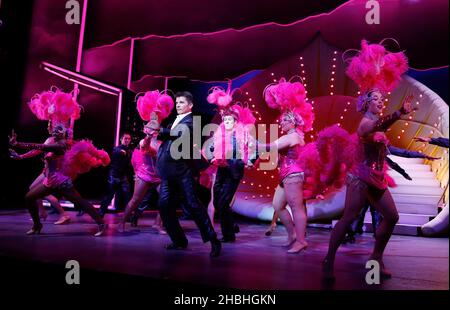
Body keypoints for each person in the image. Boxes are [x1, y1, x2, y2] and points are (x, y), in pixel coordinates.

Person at [147, 91, 222, 257]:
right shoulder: (175, 120)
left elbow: (182, 134)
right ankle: (179, 240)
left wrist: (160, 131)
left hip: (182, 172)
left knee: (193, 204)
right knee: (164, 205)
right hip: (168, 172)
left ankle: (213, 240)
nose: (178, 105)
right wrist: (154, 132)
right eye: (177, 102)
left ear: (190, 105)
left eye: (181, 102)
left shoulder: (192, 121)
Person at [9, 125, 107, 236]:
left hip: (62, 183)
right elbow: (38, 149)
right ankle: (37, 225)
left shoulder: (60, 145)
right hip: (50, 181)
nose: (54, 132)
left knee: (81, 202)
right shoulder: (52, 141)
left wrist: (17, 144)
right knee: (29, 197)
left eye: (57, 131)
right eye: (54, 131)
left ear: (63, 134)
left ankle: (101, 223)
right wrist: (21, 156)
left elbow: (40, 146)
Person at [98, 133, 133, 217]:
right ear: (121, 139)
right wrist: (121, 151)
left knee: (127, 195)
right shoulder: (117, 149)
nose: (127, 140)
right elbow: (116, 151)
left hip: (123, 176)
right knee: (109, 195)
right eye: (125, 138)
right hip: (114, 175)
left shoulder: (130, 150)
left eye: (129, 139)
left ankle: (128, 215)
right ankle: (100, 213)